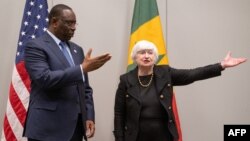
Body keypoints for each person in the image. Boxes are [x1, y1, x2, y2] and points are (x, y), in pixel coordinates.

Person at [113, 40, 246, 141]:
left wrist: (221, 65)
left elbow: (192, 74)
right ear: (135, 57)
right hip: (135, 136)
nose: (146, 56)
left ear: (155, 56)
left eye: (150, 52)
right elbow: (119, 113)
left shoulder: (165, 73)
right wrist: (119, 138)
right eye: (142, 52)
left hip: (164, 135)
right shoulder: (126, 80)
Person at [23, 4, 111, 141]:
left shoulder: (77, 50)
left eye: (75, 23)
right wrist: (82, 69)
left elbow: (85, 88)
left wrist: (88, 115)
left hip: (75, 128)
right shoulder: (35, 46)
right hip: (47, 128)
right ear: (54, 22)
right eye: (69, 23)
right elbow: (44, 79)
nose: (73, 27)